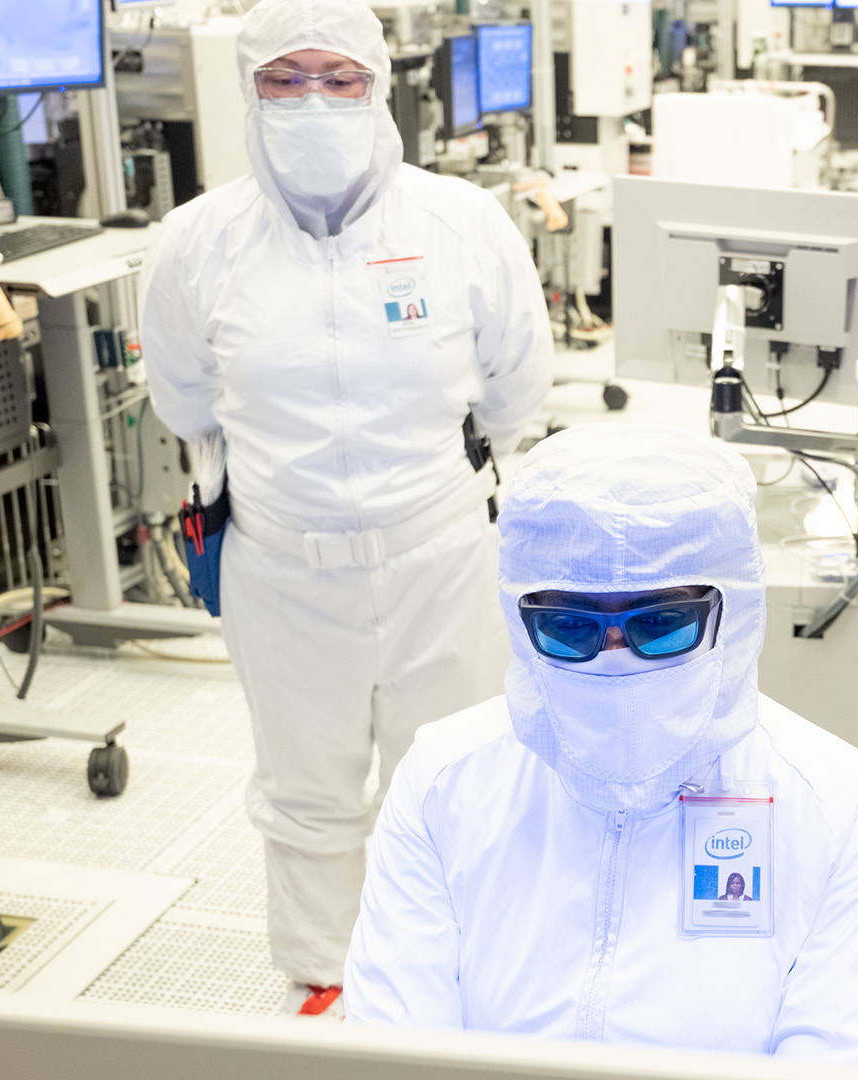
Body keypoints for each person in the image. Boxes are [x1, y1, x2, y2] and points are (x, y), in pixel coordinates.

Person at [140, 0, 551, 1017]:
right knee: (306, 785)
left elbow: (516, 389)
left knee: (451, 775)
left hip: (443, 555)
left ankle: (456, 965)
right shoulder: (197, 244)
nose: (311, 99)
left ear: (377, 87)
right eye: (285, 79)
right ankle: (327, 972)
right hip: (282, 566)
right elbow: (185, 400)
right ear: (249, 93)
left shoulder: (460, 224)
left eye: (337, 78)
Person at [344, 425, 858, 1065]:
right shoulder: (444, 782)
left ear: (734, 614)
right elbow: (391, 1053)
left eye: (660, 623)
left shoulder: (834, 803)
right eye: (569, 625)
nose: (615, 662)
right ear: (519, 619)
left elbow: (842, 1061)